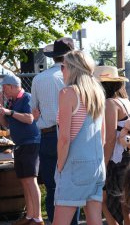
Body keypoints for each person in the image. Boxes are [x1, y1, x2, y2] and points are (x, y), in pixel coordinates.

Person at [53, 50, 106, 225]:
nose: (62, 70)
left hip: (74, 166)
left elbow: (64, 138)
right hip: (97, 164)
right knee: (95, 220)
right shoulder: (97, 92)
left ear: (72, 68)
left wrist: (60, 166)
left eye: (63, 66)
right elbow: (102, 135)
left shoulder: (68, 93)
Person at [31, 37, 80, 225]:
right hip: (74, 134)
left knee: (52, 189)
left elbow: (34, 110)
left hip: (49, 135)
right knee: (72, 188)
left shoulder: (38, 79)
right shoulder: (79, 80)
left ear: (53, 57)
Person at [0, 74, 43, 225]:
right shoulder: (12, 101)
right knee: (24, 181)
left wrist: (10, 112)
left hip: (31, 143)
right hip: (20, 145)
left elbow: (30, 118)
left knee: (30, 181)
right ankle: (29, 216)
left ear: (12, 86)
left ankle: (38, 218)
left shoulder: (27, 98)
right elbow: (7, 125)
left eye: (5, 87)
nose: (3, 91)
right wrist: (1, 113)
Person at [94, 65, 130, 225]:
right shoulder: (125, 101)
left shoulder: (110, 103)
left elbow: (110, 138)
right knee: (126, 204)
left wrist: (103, 165)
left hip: (117, 159)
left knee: (112, 201)